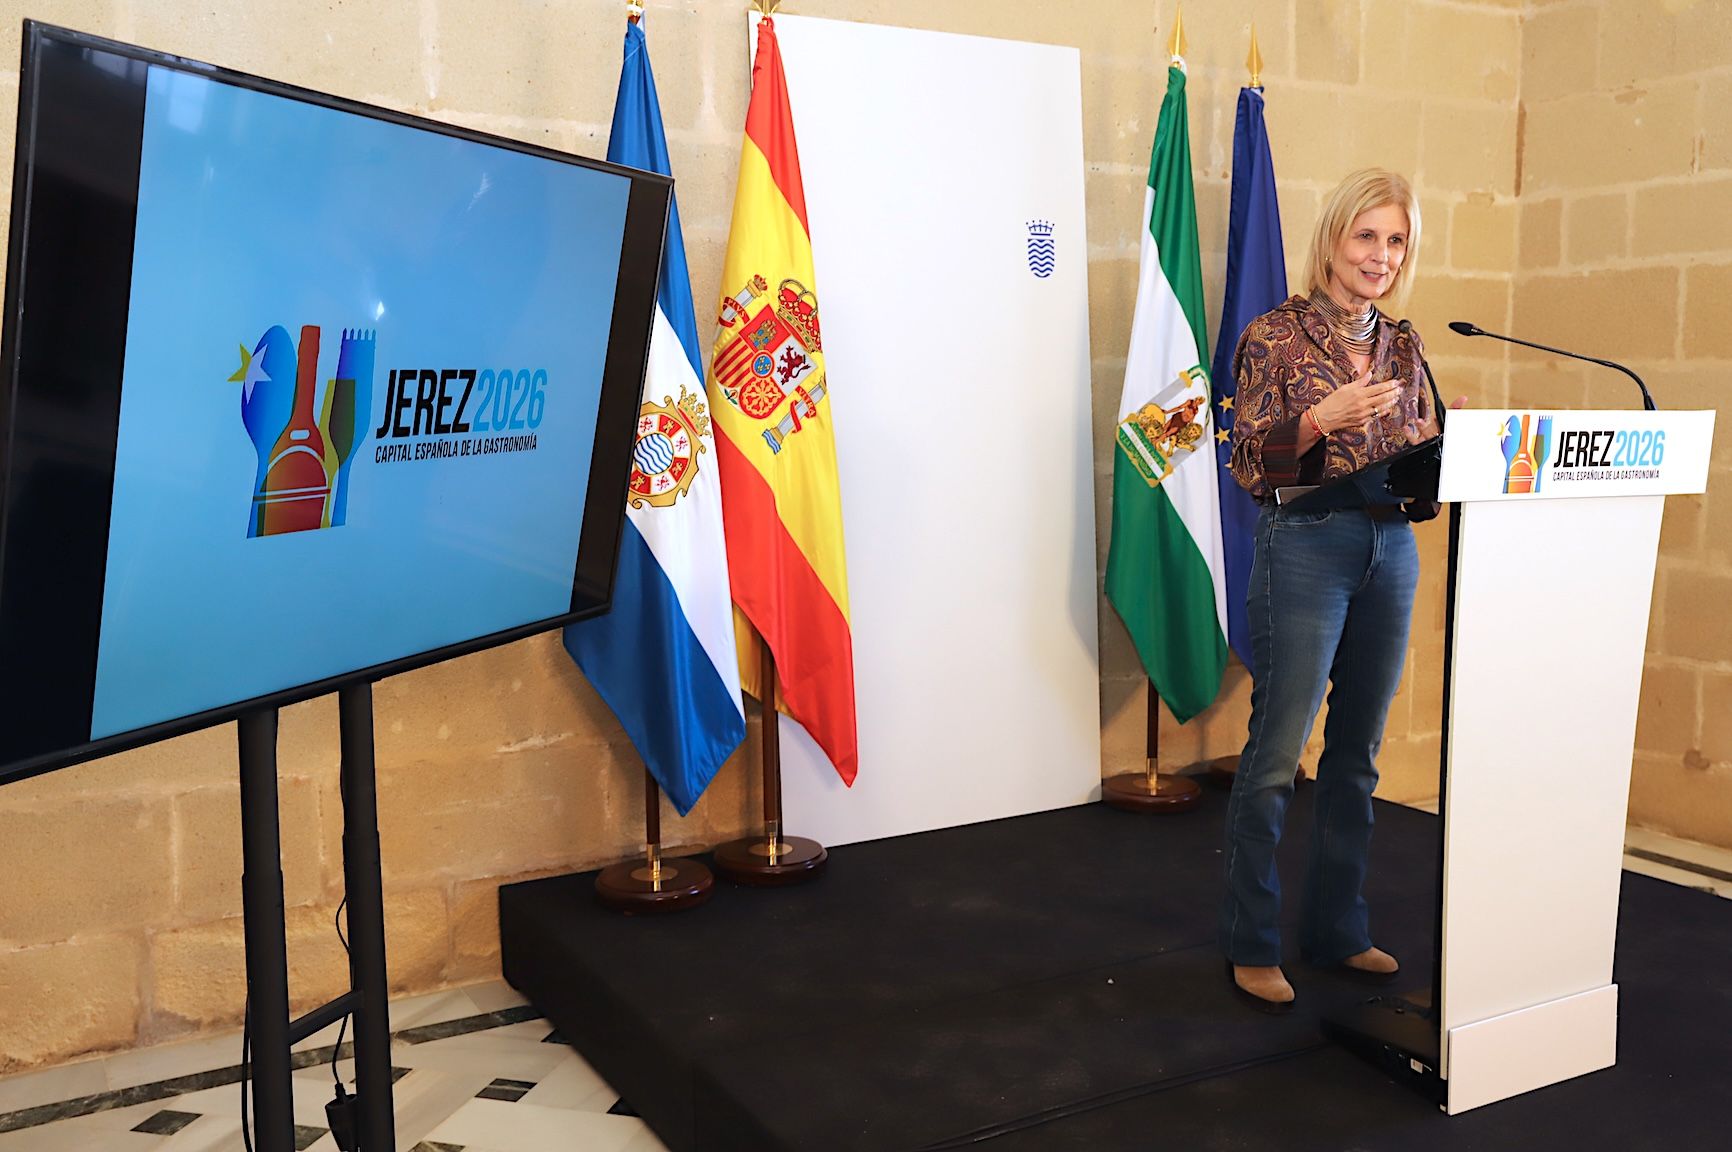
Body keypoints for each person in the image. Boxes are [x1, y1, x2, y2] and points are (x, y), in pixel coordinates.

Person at [1219, 168, 1458, 1013]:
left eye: (1396, 242)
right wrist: (1323, 419)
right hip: (1306, 549)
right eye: (1368, 237)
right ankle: (1252, 942)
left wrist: (1445, 449)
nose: (1381, 257)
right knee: (1279, 752)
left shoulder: (1405, 343)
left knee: (1357, 753)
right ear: (1333, 240)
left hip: (1390, 550)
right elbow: (1251, 468)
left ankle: (1337, 929)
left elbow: (1414, 466)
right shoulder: (1273, 338)